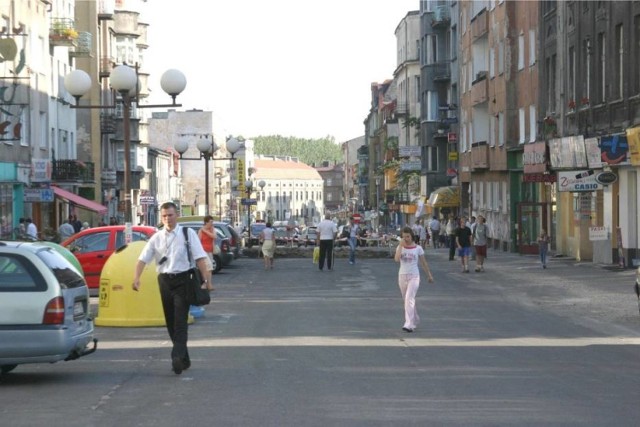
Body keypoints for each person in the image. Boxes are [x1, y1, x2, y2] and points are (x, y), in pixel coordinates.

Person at [133, 202, 210, 375]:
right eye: (165, 216)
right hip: (165, 281)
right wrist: (136, 278)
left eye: (171, 215)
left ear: (177, 215)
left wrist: (205, 280)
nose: (168, 218)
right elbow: (142, 259)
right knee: (170, 322)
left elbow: (200, 258)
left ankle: (176, 356)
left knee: (180, 320)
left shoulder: (187, 234)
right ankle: (184, 358)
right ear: (162, 217)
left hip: (184, 280)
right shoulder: (156, 237)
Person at [394, 226, 434, 333]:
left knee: (409, 299)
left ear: (412, 236)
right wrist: (400, 246)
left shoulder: (418, 248)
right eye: (404, 237)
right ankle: (415, 318)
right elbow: (397, 259)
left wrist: (429, 275)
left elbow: (424, 263)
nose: (406, 239)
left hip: (414, 276)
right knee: (406, 300)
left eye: (408, 236)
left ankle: (409, 324)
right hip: (402, 276)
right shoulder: (400, 247)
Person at [197, 215, 216, 290]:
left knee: (209, 269)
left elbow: (214, 237)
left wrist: (206, 231)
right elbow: (198, 241)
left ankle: (207, 284)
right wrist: (203, 231)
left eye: (212, 222)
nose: (212, 223)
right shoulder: (201, 230)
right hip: (203, 251)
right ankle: (208, 284)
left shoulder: (212, 229)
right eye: (210, 222)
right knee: (209, 266)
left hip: (210, 250)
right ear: (206, 222)